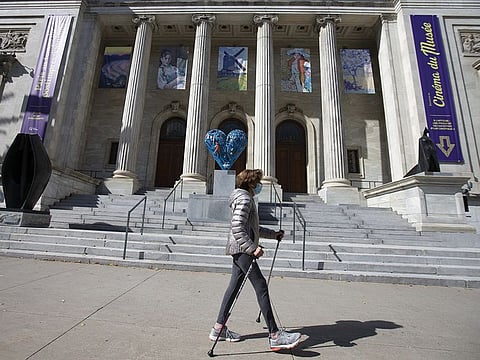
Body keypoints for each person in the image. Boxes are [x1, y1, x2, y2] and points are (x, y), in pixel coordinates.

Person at [208, 169, 302, 351]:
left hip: (239, 249)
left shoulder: (242, 197)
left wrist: (273, 234)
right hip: (243, 250)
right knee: (261, 287)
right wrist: (252, 248)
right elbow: (237, 226)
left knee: (233, 287)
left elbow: (253, 226)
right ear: (250, 183)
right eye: (258, 182)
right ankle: (275, 335)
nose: (260, 186)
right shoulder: (245, 199)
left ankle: (218, 327)